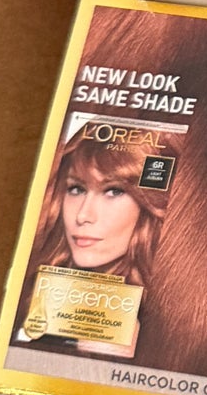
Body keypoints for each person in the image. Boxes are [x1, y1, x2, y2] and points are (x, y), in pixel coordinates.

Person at [18, 125, 174, 357]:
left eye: (114, 191)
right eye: (76, 189)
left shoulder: (172, 315)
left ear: (150, 202)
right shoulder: (37, 289)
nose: (83, 215)